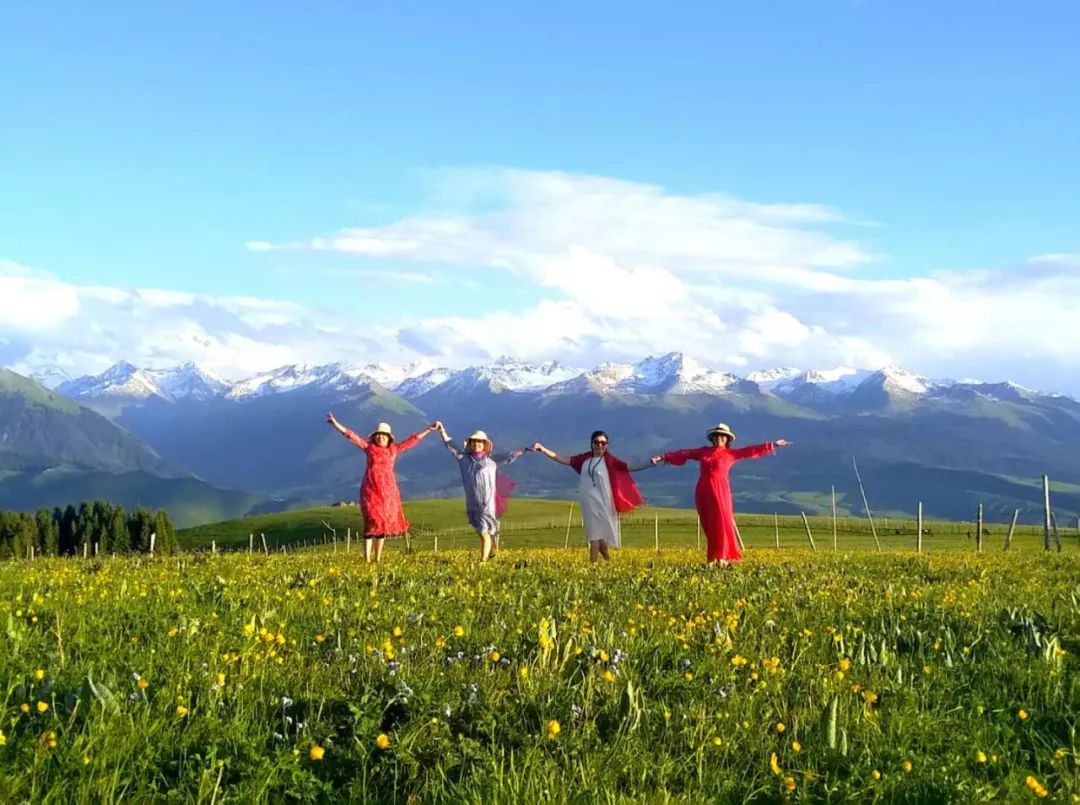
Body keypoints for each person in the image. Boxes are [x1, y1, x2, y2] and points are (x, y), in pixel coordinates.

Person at [653, 423, 791, 565]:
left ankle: (723, 556)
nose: (719, 438)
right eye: (716, 436)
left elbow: (750, 450)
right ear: (712, 438)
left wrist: (773, 445)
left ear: (727, 439)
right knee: (709, 523)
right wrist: (663, 457)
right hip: (703, 490)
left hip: (721, 490)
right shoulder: (703, 452)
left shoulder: (731, 454)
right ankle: (714, 557)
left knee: (722, 521)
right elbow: (684, 453)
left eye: (722, 436)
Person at [326, 412, 438, 563]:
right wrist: (336, 424)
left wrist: (428, 429)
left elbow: (412, 440)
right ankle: (367, 559)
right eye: (378, 435)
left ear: (389, 438)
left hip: (388, 492)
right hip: (370, 490)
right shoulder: (369, 448)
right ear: (374, 437)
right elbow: (352, 436)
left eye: (384, 435)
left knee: (382, 522)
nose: (381, 437)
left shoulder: (394, 450)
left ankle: (377, 559)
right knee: (371, 521)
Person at [532, 431, 656, 562]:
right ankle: (609, 561)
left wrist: (649, 463)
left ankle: (592, 564)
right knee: (597, 534)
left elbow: (629, 467)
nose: (600, 445)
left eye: (603, 443)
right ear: (592, 444)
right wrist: (542, 449)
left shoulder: (610, 461)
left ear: (607, 445)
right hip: (588, 502)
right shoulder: (584, 459)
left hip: (603, 502)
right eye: (597, 442)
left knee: (594, 535)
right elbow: (562, 458)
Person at [436, 421, 528, 562]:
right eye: (474, 441)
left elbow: (510, 456)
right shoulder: (464, 459)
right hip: (472, 503)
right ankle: (492, 550)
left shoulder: (492, 461)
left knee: (484, 532)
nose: (476, 444)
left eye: (479, 441)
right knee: (481, 531)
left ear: (484, 444)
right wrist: (442, 431)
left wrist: (527, 449)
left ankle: (483, 561)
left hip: (487, 504)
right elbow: (451, 446)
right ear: (470, 444)